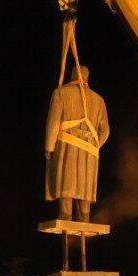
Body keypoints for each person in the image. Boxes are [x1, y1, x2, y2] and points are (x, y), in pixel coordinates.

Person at [45, 64, 110, 222]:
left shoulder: (60, 93)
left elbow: (53, 123)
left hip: (67, 145)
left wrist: (49, 146)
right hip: (90, 152)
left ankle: (65, 216)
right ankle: (85, 218)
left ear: (72, 75)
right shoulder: (99, 100)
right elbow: (105, 131)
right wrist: (94, 147)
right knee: (85, 185)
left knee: (67, 182)